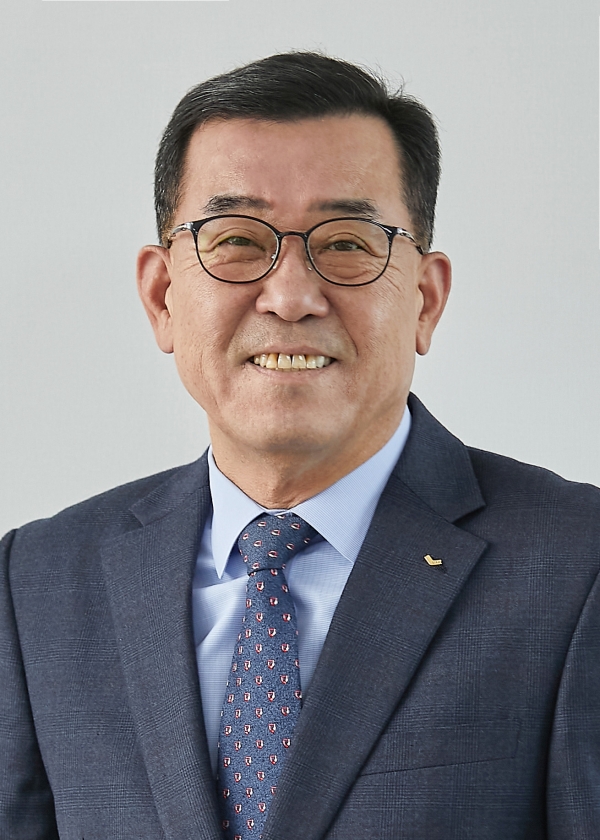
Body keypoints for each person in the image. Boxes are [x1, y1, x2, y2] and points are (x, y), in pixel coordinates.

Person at [1, 52, 599, 840]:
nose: (289, 297)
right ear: (162, 297)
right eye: (236, 240)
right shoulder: (36, 584)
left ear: (425, 300)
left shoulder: (577, 568)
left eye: (347, 243)